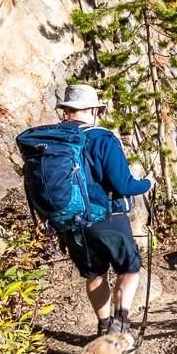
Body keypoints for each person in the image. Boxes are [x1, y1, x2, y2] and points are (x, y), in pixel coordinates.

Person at [55, 84, 152, 336]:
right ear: (93, 110)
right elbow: (123, 184)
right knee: (130, 269)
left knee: (95, 275)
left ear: (66, 110)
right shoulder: (103, 138)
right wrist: (148, 184)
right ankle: (120, 326)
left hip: (71, 222)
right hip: (107, 217)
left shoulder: (55, 139)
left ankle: (103, 326)